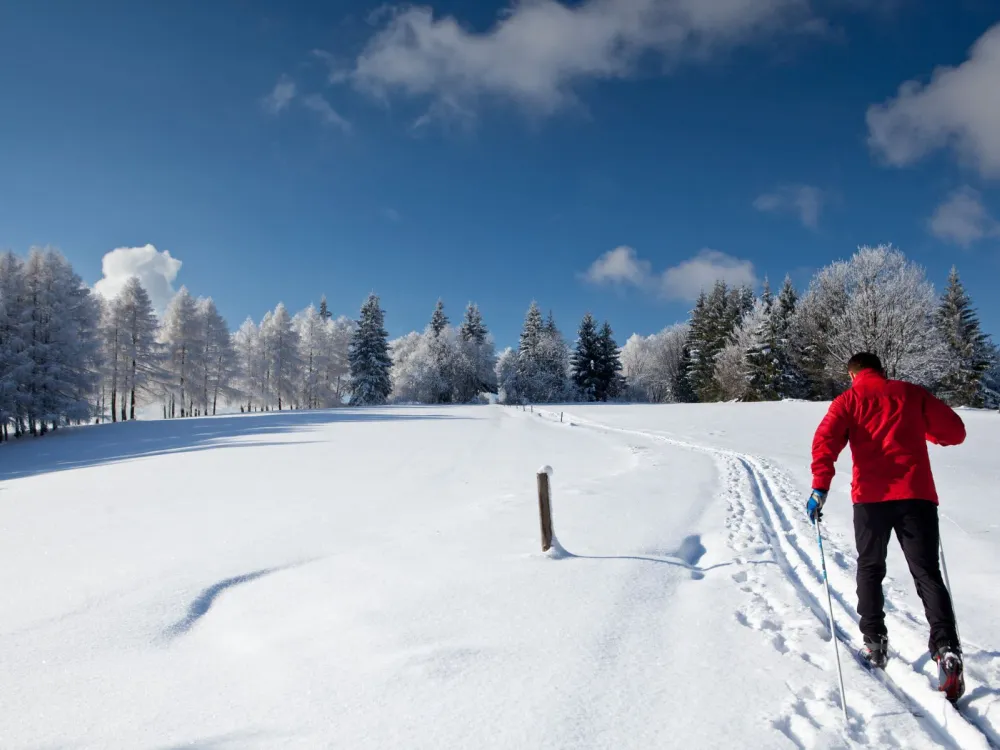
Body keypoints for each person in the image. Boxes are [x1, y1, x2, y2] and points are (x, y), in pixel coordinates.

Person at [807, 352, 967, 702]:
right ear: (882, 370)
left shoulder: (847, 401)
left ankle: (875, 642)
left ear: (852, 375)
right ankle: (947, 648)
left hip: (871, 501)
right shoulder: (911, 393)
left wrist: (820, 487)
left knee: (870, 568)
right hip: (917, 497)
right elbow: (955, 431)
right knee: (926, 573)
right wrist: (921, 429)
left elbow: (826, 442)